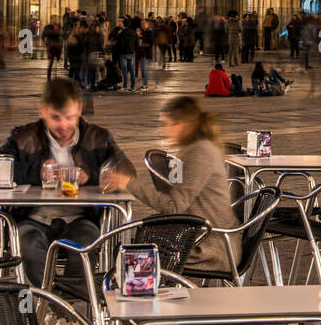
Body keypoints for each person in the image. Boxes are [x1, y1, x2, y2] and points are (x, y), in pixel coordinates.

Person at [0, 77, 134, 325]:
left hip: (79, 219)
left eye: (70, 117)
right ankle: (62, 318)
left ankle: (53, 318)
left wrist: (94, 176)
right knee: (27, 245)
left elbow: (125, 169)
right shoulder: (23, 137)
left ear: (79, 111)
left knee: (86, 244)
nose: (63, 125)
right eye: (55, 118)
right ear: (43, 112)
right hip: (35, 218)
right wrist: (35, 173)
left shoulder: (98, 137)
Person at [102, 96, 239, 272]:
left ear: (182, 124)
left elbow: (174, 207)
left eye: (166, 124)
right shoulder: (192, 150)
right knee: (130, 251)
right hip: (200, 237)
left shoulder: (200, 153)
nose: (162, 131)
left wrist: (129, 183)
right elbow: (175, 197)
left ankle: (141, 295)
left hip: (212, 248)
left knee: (129, 257)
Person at [43, 17, 63, 81]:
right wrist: (55, 31)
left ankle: (55, 75)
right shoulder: (47, 27)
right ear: (51, 21)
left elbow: (62, 34)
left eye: (56, 20)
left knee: (57, 61)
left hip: (58, 47)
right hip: (50, 47)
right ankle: (49, 77)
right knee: (51, 62)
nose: (55, 21)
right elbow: (44, 34)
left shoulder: (59, 27)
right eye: (53, 20)